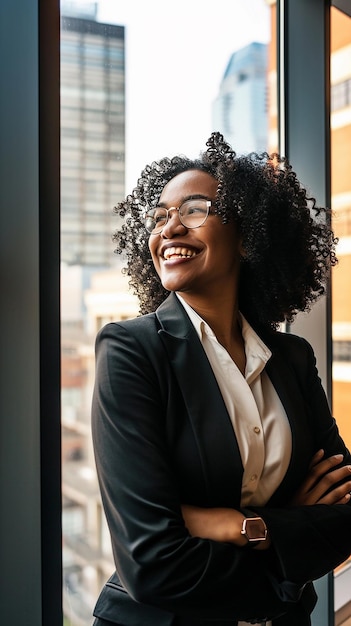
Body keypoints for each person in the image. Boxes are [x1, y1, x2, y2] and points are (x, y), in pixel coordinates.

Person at [91, 132, 351, 626]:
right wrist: (284, 532)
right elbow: (153, 564)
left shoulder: (292, 358)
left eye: (193, 210)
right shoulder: (131, 351)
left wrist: (237, 527)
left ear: (248, 234)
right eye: (160, 216)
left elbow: (345, 512)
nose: (169, 228)